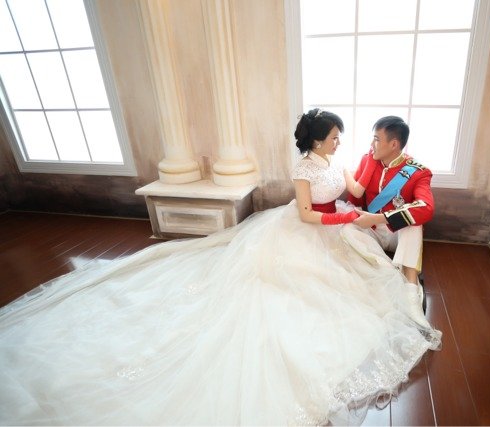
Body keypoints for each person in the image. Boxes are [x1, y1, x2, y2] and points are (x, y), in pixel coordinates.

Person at [0, 108, 440, 425]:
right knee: (285, 287)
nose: (341, 141)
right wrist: (348, 218)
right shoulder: (303, 168)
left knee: (359, 275)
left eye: (341, 136)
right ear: (317, 140)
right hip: (311, 228)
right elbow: (307, 215)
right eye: (335, 136)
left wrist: (369, 182)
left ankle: (396, 280)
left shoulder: (337, 162)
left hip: (339, 225)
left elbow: (356, 190)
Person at [345, 116, 435, 315]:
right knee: (347, 230)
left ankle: (411, 292)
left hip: (397, 234)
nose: (372, 144)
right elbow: (354, 198)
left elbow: (426, 208)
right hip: (372, 232)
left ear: (393, 144)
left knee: (414, 226)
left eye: (377, 139)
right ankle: (390, 272)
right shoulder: (368, 160)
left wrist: (379, 218)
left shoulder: (419, 172)